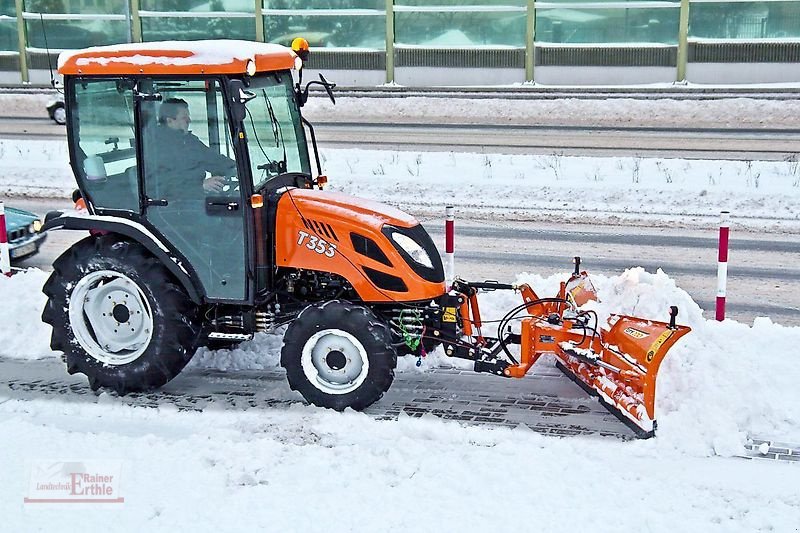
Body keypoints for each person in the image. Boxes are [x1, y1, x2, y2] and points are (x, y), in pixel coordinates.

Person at [150, 98, 237, 200]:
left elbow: (211, 158)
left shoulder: (188, 140)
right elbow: (166, 186)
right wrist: (201, 187)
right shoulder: (158, 147)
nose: (189, 120)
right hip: (173, 206)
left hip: (194, 198)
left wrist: (235, 168)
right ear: (169, 121)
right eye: (184, 117)